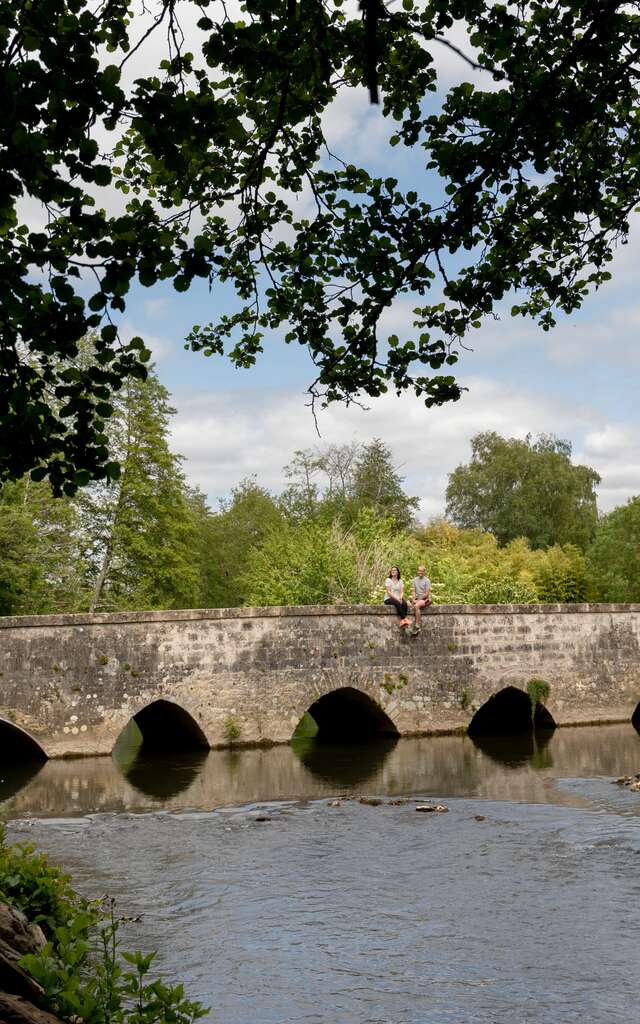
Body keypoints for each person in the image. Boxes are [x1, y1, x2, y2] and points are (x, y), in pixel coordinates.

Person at [410, 565, 432, 635]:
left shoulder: (427, 580)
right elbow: (413, 591)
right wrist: (413, 599)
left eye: (422, 571)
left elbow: (427, 594)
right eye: (419, 571)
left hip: (425, 599)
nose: (420, 572)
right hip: (417, 599)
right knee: (406, 603)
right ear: (417, 571)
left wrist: (418, 600)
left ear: (424, 572)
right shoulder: (414, 580)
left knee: (417, 606)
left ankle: (417, 626)